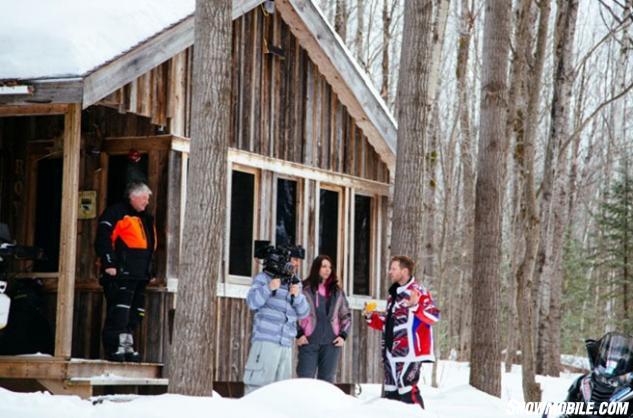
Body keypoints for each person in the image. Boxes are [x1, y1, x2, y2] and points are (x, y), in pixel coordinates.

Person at [365, 255, 439, 409]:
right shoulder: (394, 295)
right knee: (391, 395)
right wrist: (371, 317)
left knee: (408, 390)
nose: (390, 272)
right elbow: (390, 323)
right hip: (391, 352)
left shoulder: (418, 291)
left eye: (393, 269)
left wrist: (415, 305)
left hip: (410, 352)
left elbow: (433, 316)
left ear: (404, 271)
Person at [95, 182, 156, 362]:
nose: (147, 202)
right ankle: (114, 347)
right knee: (119, 311)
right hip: (121, 273)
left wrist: (149, 272)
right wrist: (109, 264)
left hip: (140, 275)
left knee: (136, 313)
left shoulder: (146, 217)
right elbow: (103, 239)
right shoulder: (116, 212)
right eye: (144, 198)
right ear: (134, 196)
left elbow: (149, 247)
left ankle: (127, 346)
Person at [244, 248, 309, 394]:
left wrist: (297, 296)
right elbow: (252, 302)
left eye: (299, 261)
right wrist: (269, 288)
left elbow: (304, 313)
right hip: (266, 341)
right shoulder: (264, 278)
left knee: (281, 392)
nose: (297, 264)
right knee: (258, 388)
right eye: (294, 260)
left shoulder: (295, 283)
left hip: (286, 344)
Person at [296, 255, 351, 383]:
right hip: (308, 341)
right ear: (316, 268)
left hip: (331, 343)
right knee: (305, 380)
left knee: (326, 382)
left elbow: (346, 315)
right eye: (324, 266)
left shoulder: (337, 292)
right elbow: (293, 313)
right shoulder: (304, 289)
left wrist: (343, 336)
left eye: (330, 267)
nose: (328, 270)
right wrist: (299, 334)